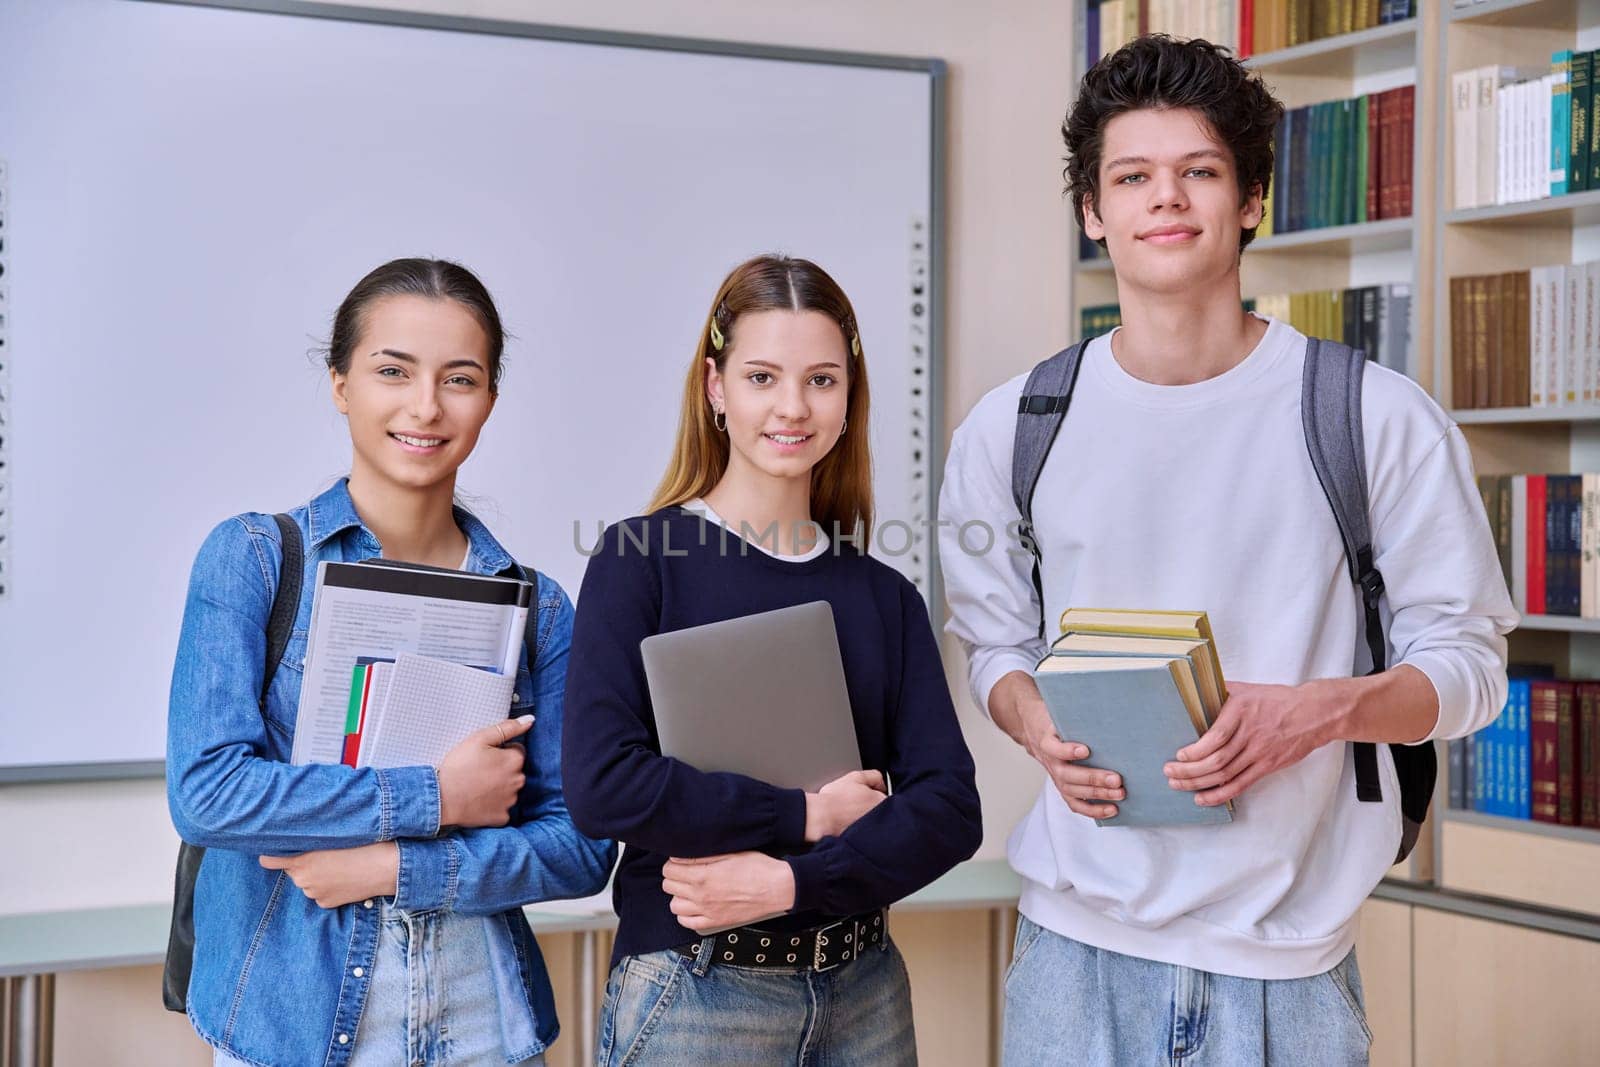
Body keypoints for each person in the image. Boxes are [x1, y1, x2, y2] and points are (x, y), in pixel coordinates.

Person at [937, 35, 1516, 1065]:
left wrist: (1321, 709)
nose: (1166, 199)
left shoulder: (1371, 416)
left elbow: (1469, 672)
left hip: (1290, 976)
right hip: (1071, 961)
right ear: (1091, 209)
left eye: (1198, 171)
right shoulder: (1011, 425)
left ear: (1250, 199)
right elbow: (993, 646)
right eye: (1131, 177)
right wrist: (1037, 727)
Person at [167, 257, 614, 1067]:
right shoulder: (255, 560)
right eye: (392, 370)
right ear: (341, 383)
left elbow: (581, 847)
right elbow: (208, 794)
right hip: (294, 1030)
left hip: (488, 1026)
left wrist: (394, 865)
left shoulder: (538, 603)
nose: (425, 405)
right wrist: (436, 794)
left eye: (460, 378)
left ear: (489, 401)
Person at [562, 253, 982, 1066]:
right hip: (696, 992)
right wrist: (806, 815)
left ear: (849, 396)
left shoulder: (884, 595)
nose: (793, 407)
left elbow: (949, 810)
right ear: (717, 389)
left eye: (822, 380)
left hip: (866, 993)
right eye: (762, 377)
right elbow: (603, 783)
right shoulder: (641, 560)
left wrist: (794, 883)